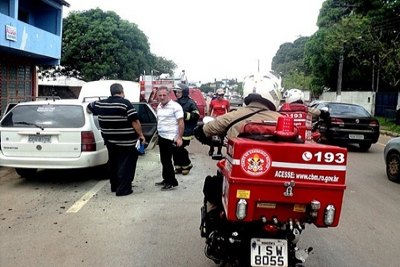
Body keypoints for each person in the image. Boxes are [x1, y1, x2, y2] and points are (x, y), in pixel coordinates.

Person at [87, 83, 145, 196]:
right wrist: (141, 135)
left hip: (110, 141)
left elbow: (88, 108)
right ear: (122, 91)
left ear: (111, 92)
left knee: (113, 163)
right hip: (127, 142)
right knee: (127, 165)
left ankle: (114, 186)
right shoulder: (125, 103)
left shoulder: (100, 104)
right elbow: (135, 121)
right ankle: (123, 189)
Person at [155, 86, 184, 190]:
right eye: (160, 95)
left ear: (168, 95)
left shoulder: (175, 107)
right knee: (163, 160)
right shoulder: (159, 106)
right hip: (162, 136)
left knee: (167, 160)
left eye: (164, 95)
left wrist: (179, 138)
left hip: (171, 137)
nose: (162, 97)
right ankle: (166, 178)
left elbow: (181, 123)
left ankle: (171, 181)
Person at [172, 83, 200, 175]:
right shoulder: (175, 102)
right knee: (174, 148)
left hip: (186, 130)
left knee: (179, 148)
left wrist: (184, 115)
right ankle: (178, 166)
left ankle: (187, 164)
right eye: (176, 92)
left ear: (184, 92)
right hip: (176, 130)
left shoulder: (190, 102)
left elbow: (196, 115)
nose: (177, 94)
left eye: (179, 92)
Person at [208, 88, 230, 156]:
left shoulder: (226, 102)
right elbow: (209, 110)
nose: (219, 96)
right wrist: (208, 119)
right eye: (218, 95)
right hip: (214, 120)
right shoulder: (213, 102)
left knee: (221, 135)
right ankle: (211, 149)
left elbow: (228, 112)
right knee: (211, 135)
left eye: (221, 95)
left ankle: (219, 151)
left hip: (222, 120)